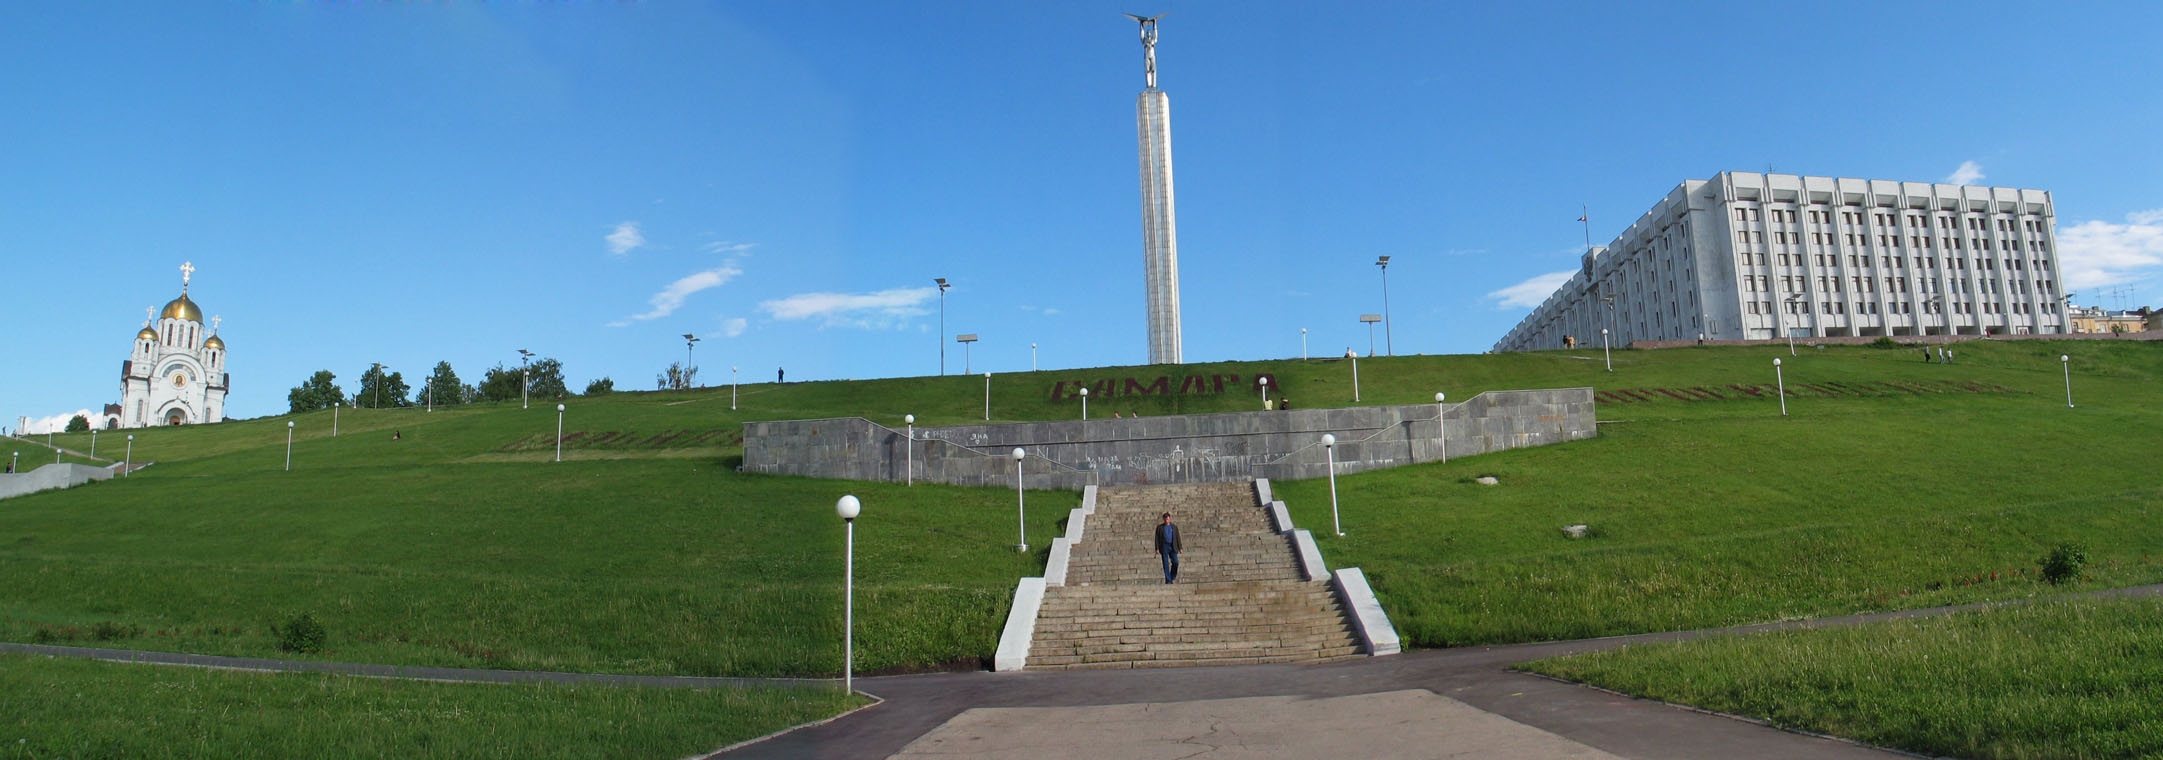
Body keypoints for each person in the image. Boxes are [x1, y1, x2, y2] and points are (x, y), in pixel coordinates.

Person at [1154, 512, 1181, 584]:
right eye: (1165, 519)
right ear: (1164, 519)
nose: (1167, 520)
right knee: (1165, 564)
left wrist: (1180, 547)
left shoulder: (1174, 527)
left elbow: (1177, 537)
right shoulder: (1160, 528)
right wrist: (1157, 548)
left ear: (1170, 519)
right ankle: (1168, 580)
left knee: (1175, 562)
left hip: (1173, 546)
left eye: (1168, 519)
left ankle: (1172, 576)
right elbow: (1156, 538)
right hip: (1164, 546)